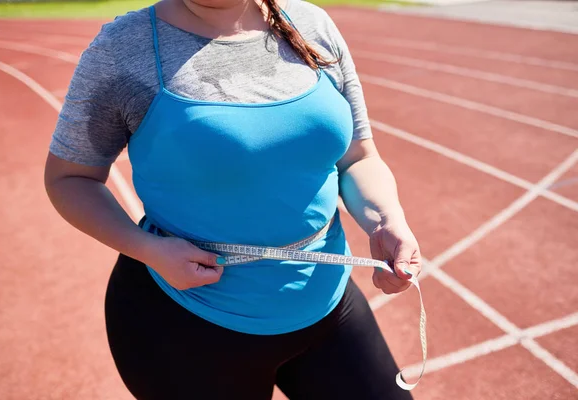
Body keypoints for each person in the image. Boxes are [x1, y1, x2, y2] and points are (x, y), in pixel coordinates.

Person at [44, 0, 422, 398]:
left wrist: (385, 220)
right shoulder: (124, 48)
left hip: (326, 303)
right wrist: (148, 249)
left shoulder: (312, 24)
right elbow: (70, 179)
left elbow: (358, 157)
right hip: (183, 326)